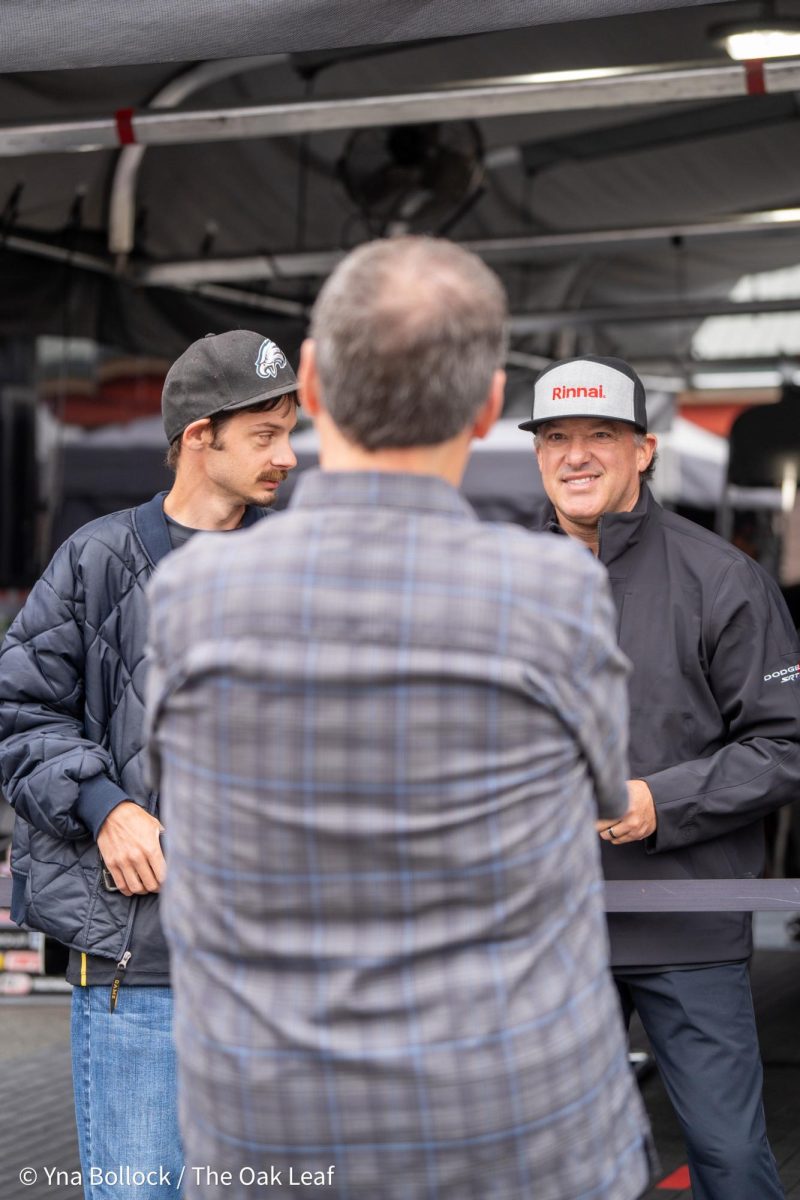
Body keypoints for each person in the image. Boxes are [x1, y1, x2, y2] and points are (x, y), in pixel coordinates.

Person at [146, 237, 653, 1200]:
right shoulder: (554, 593)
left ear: (312, 383)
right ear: (491, 404)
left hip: (270, 1136)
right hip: (519, 1129)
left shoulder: (194, 593)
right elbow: (601, 785)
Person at [0, 329, 299, 1199]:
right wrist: (103, 805)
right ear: (199, 436)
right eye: (264, 435)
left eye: (289, 432)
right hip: (141, 965)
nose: (286, 456)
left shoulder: (302, 565)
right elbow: (17, 709)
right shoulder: (95, 560)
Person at [521, 353, 800, 1200]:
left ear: (644, 449)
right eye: (557, 438)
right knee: (554, 1167)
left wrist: (658, 802)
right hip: (552, 931)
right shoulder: (501, 582)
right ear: (537, 454)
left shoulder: (722, 578)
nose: (576, 455)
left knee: (727, 1158)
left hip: (685, 927)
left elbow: (786, 743)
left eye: (599, 436)